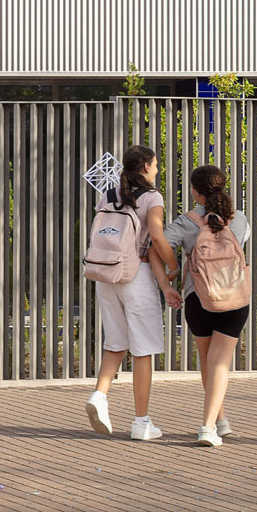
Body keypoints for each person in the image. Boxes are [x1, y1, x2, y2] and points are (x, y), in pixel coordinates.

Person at [84, 145, 178, 441]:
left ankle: (100, 395)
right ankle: (141, 422)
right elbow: (157, 235)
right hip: (135, 275)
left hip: (105, 275)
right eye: (156, 164)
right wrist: (173, 266)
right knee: (143, 348)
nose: (158, 169)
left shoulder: (109, 195)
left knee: (116, 341)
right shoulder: (152, 196)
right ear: (147, 166)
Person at [162, 164, 251, 447]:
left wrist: (172, 273)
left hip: (198, 298)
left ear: (195, 191)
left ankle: (218, 422)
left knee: (207, 360)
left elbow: (158, 245)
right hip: (234, 298)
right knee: (221, 362)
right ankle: (210, 425)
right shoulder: (240, 220)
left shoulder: (186, 222)